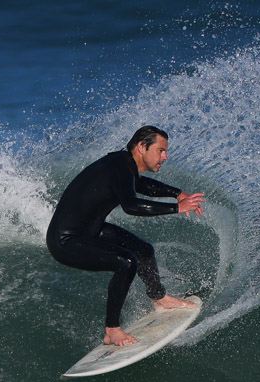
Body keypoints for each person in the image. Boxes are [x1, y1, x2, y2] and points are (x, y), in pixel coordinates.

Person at [46, 126, 206, 346]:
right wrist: (175, 207)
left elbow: (141, 185)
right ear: (142, 147)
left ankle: (160, 299)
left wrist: (177, 194)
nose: (165, 157)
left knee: (144, 250)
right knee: (127, 262)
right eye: (160, 150)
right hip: (65, 241)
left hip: (90, 231)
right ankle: (112, 330)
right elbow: (131, 205)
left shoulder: (123, 166)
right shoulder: (118, 165)